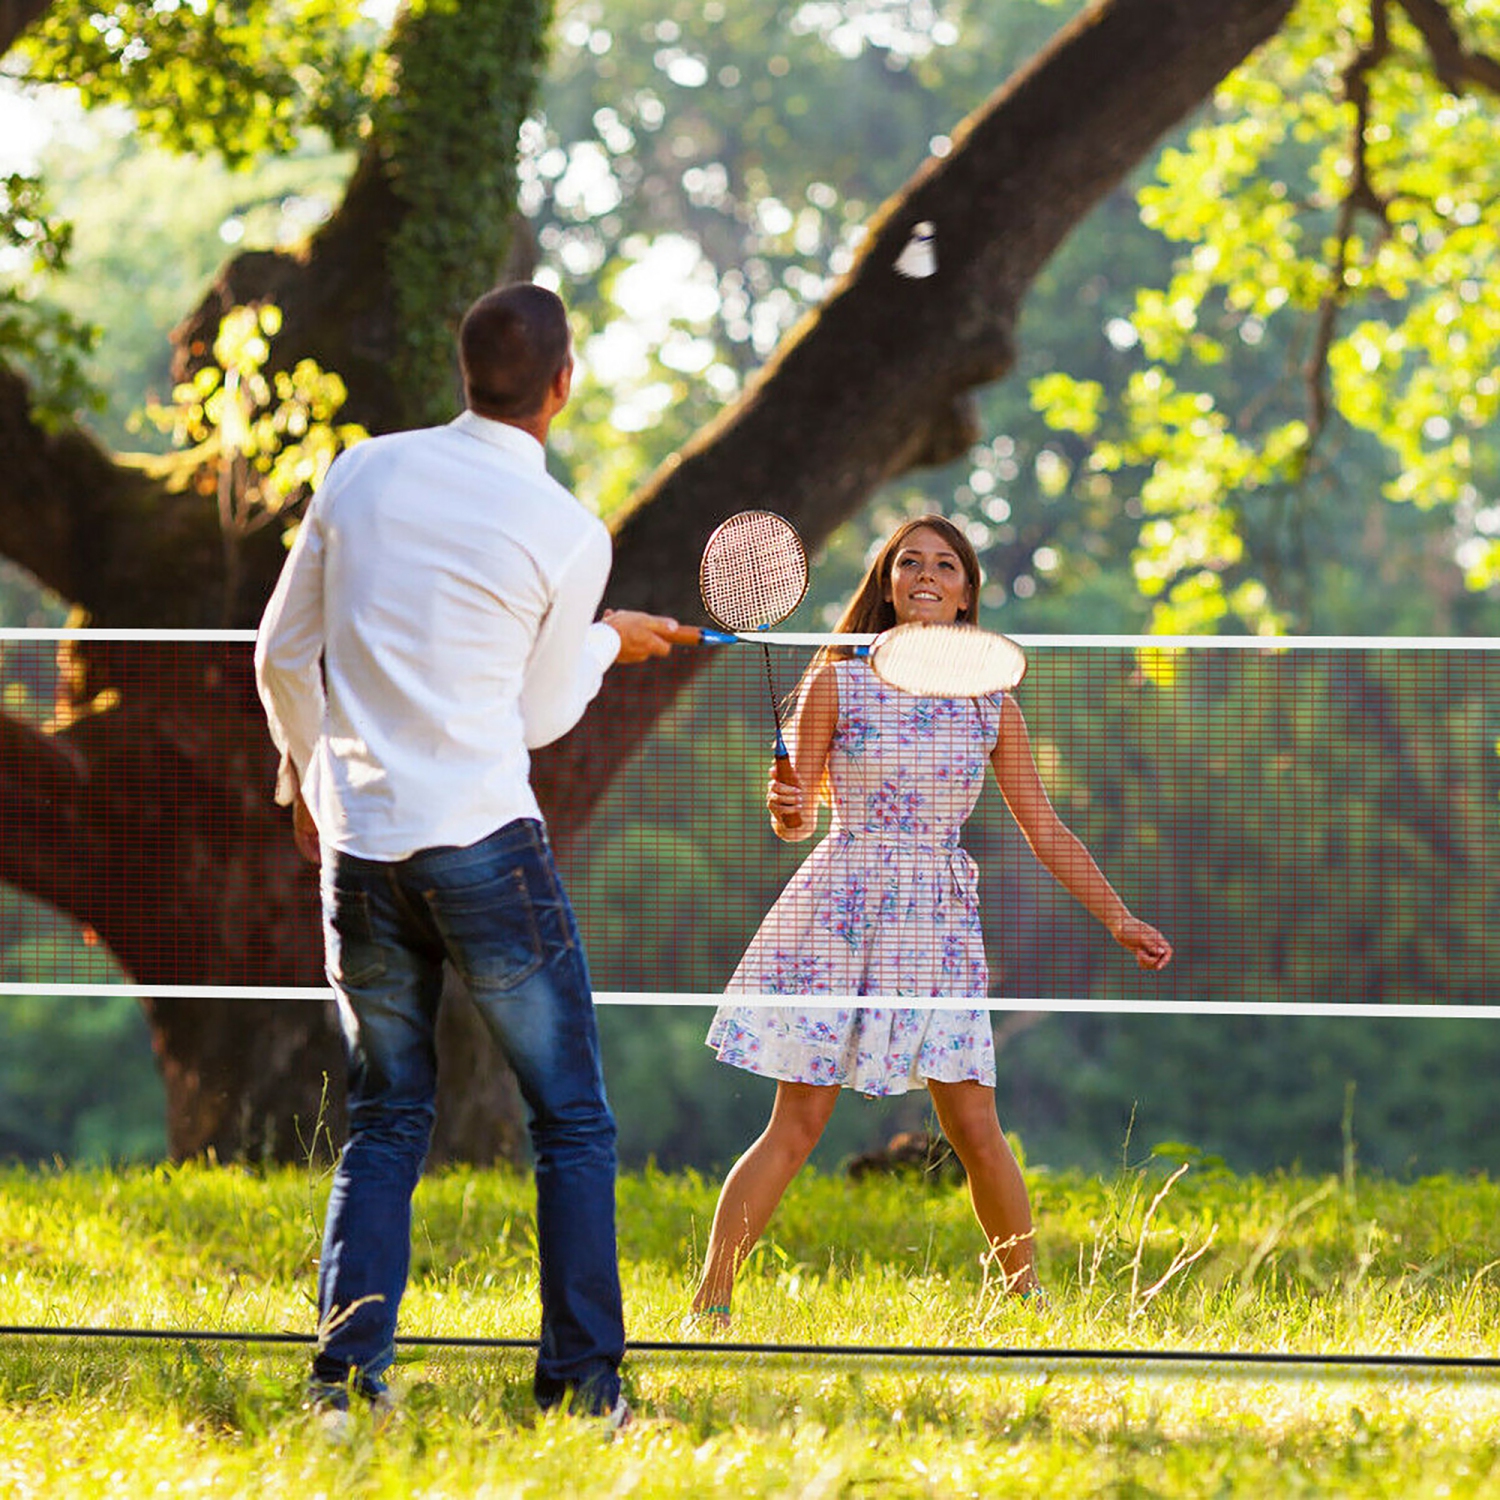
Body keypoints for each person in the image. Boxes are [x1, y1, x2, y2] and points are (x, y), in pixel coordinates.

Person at [255, 282, 681, 1425]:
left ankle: (344, 1388)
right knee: (571, 1119)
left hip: (361, 850)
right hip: (484, 845)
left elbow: (279, 654)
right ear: (563, 385)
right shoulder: (568, 533)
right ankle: (584, 1390)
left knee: (386, 1118)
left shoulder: (361, 472)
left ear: (465, 371)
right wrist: (602, 642)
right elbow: (537, 718)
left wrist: (310, 777)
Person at [690, 514, 1172, 1324]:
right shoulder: (838, 682)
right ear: (887, 584)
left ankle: (1029, 1306)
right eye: (909, 561)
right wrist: (784, 804)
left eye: (946, 565)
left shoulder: (992, 707)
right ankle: (710, 1304)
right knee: (799, 1122)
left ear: (965, 595)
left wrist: (1119, 918)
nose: (926, 574)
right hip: (840, 912)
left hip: (936, 924)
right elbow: (797, 820)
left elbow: (1045, 829)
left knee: (976, 1122)